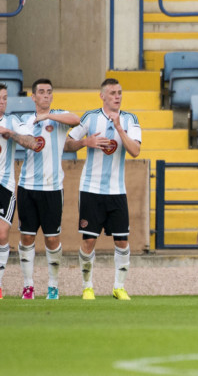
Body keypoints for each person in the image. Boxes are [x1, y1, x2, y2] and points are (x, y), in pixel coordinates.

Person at [65, 78, 142, 301]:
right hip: (91, 189)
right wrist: (84, 143)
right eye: (112, 93)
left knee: (122, 241)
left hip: (117, 191)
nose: (117, 96)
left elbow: (135, 151)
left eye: (119, 92)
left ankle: (119, 286)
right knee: (89, 240)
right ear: (102, 96)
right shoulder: (90, 117)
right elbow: (67, 143)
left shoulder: (130, 119)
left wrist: (119, 128)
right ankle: (87, 286)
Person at [17, 79, 80, 300]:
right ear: (33, 97)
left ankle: (53, 285)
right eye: (41, 92)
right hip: (28, 186)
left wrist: (49, 116)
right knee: (27, 237)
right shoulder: (25, 120)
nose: (45, 95)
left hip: (53, 188)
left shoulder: (59, 116)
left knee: (52, 239)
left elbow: (76, 120)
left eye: (49, 92)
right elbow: (24, 140)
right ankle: (28, 285)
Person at [0, 83, 38, 299]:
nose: (2, 102)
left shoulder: (12, 121)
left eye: (5, 98)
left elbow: (30, 142)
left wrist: (10, 134)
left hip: (4, 185)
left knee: (3, 233)